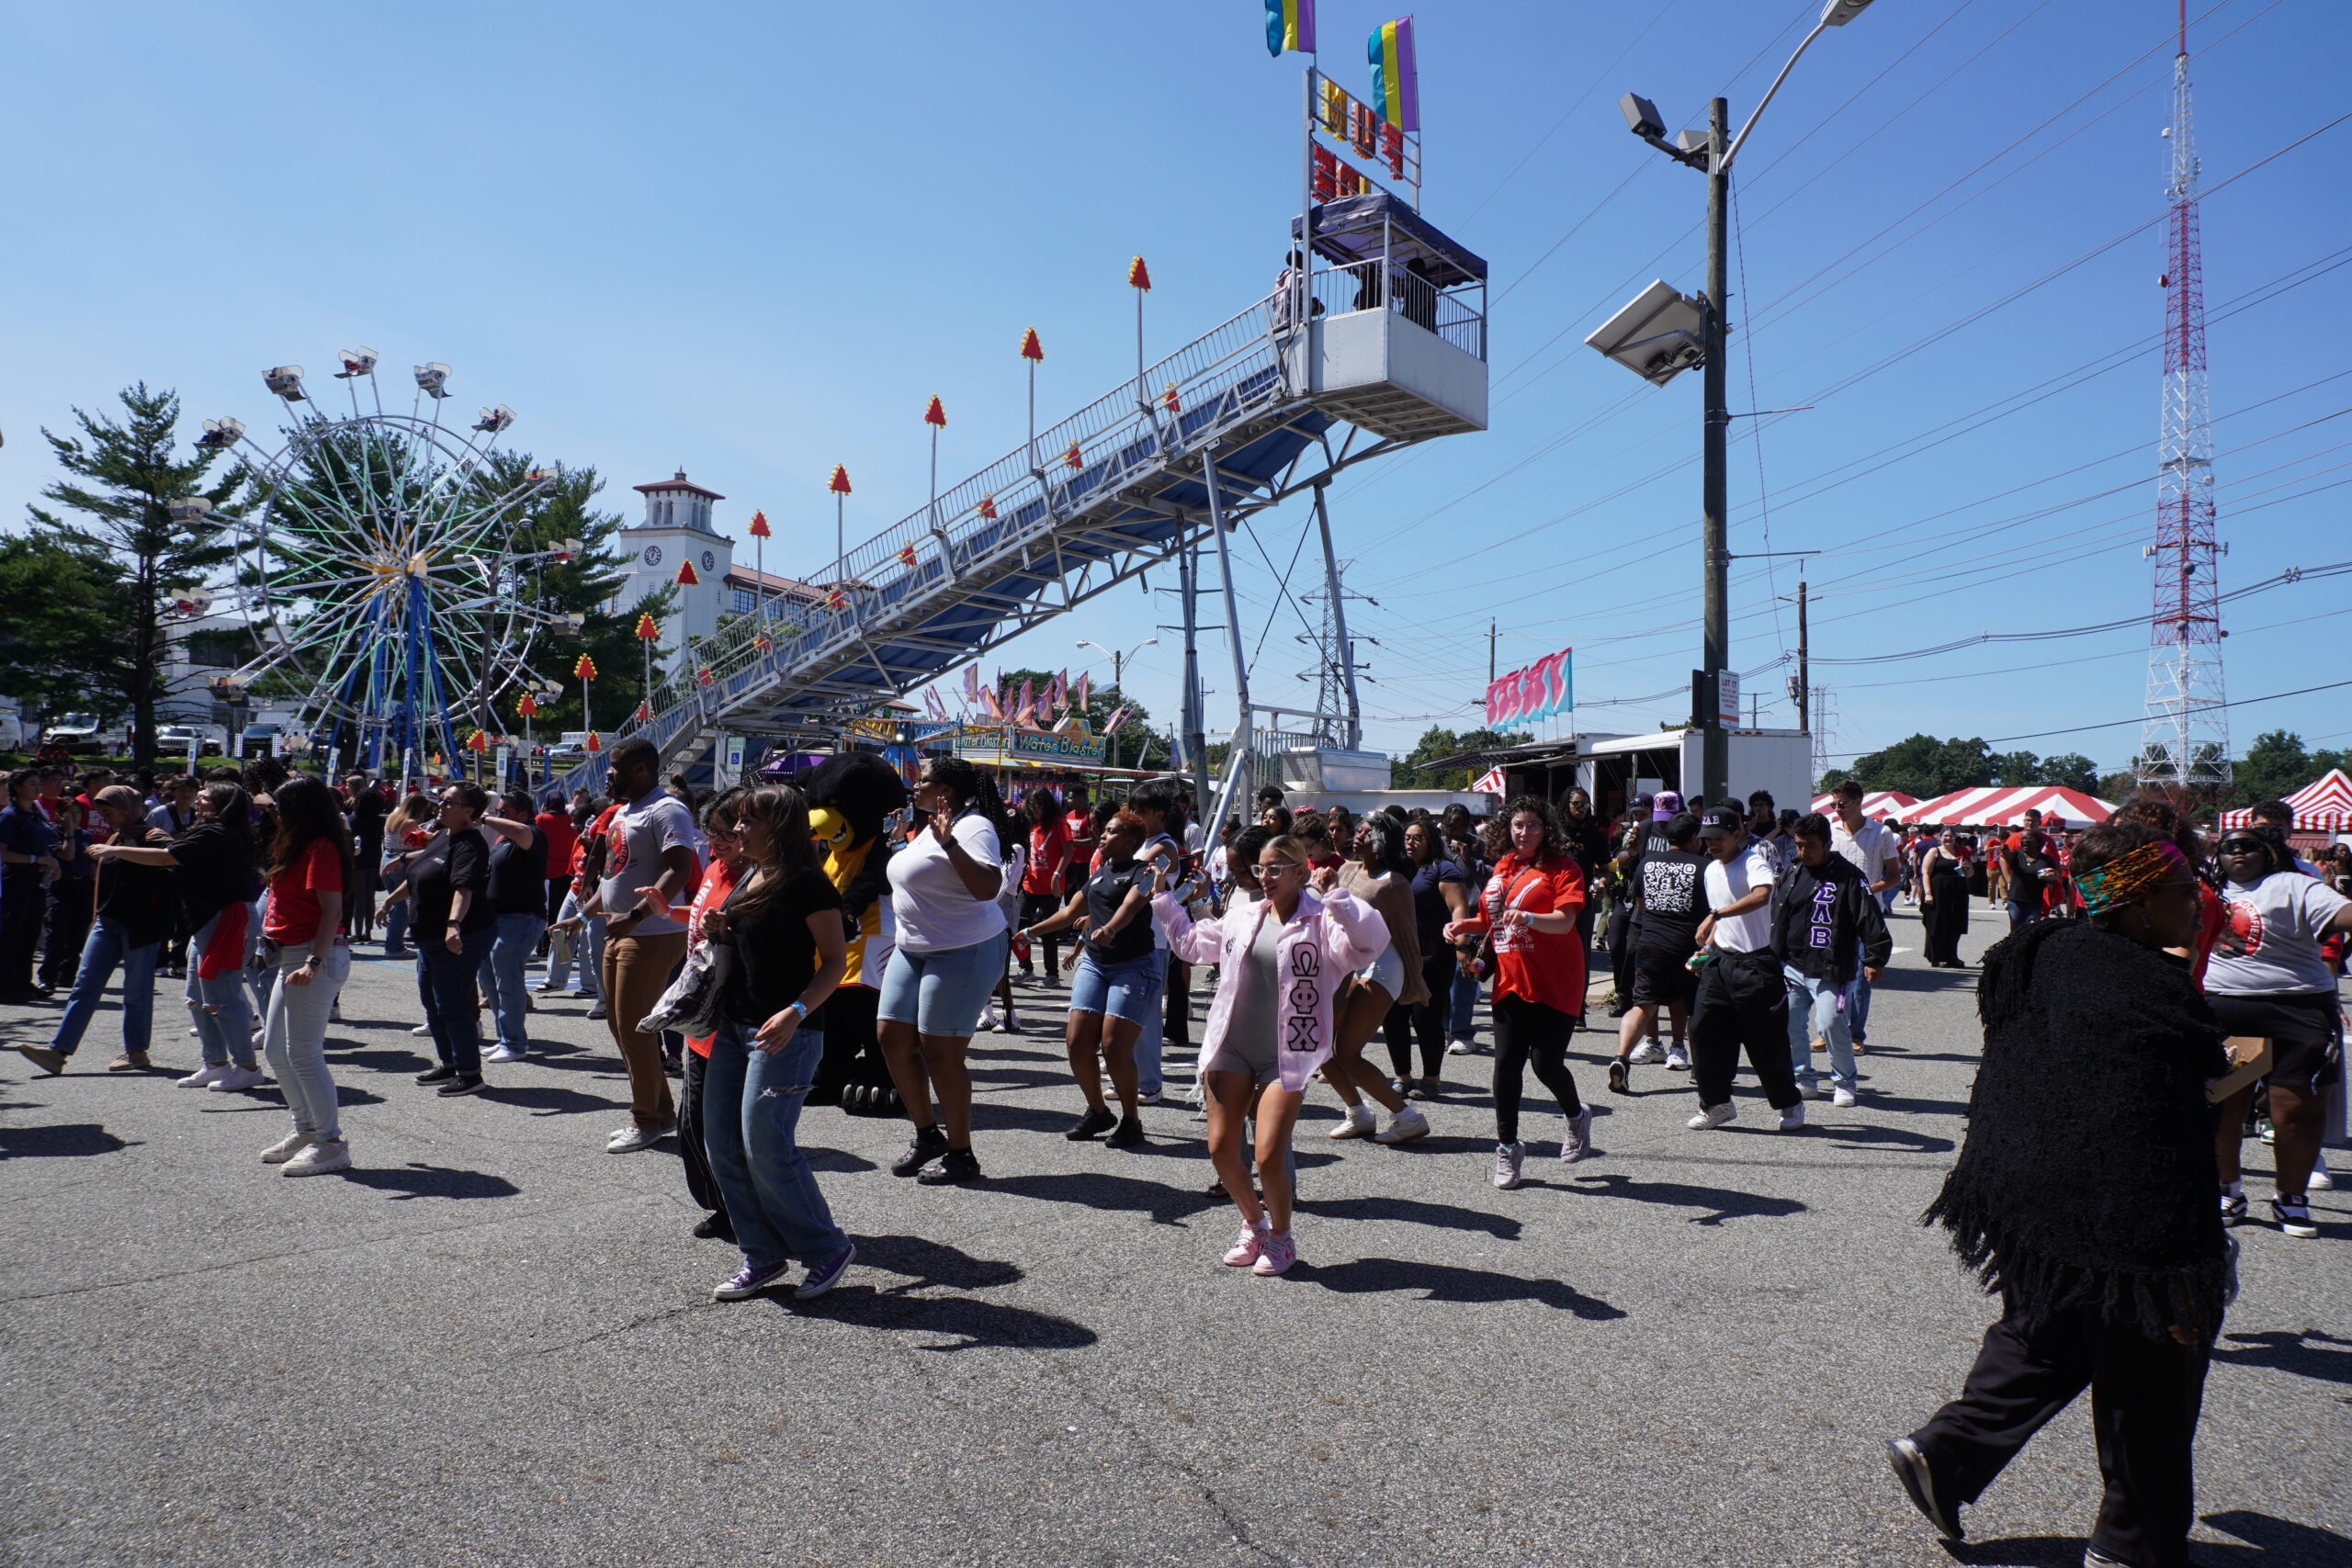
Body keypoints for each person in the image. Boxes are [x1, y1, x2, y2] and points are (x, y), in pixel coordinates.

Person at [1887, 819, 2224, 1568]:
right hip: (2122, 1210)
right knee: (2156, 1359)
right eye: (2181, 890)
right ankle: (2132, 1544)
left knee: (2053, 1325)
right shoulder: (2151, 985)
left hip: (2018, 1190)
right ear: (2137, 901)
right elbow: (2191, 1082)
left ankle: (1946, 1455)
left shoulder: (2035, 950)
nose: (2197, 901)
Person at [1159, 832, 1386, 1275]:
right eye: (1261, 868)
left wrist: (1337, 895)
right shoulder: (1243, 915)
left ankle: (1282, 1238)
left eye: (1276, 868)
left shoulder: (1323, 919)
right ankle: (1254, 1225)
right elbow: (1191, 945)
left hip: (1287, 1055)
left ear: (1301, 872)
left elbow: (1369, 944)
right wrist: (1165, 902)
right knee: (1223, 1149)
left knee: (1267, 1155)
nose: (1265, 877)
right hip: (1231, 1045)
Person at [694, 784, 858, 1303]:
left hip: (788, 1031)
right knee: (721, 1145)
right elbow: (751, 944)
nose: (737, 829)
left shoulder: (809, 883)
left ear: (778, 826)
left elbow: (834, 961)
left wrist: (797, 1010)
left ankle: (826, 1247)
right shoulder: (750, 874)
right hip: (734, 1027)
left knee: (767, 1146)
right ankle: (761, 1254)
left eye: (747, 821)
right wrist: (724, 929)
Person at [2205, 825, 2352, 1239]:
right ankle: (2227, 1191)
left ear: (2269, 852)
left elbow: (2340, 913)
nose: (2238, 853)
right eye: (2229, 847)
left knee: (2295, 1113)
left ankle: (2291, 1198)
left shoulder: (2293, 885)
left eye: (2248, 846)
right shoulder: (2206, 889)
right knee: (2222, 1107)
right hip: (2227, 1009)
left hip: (2297, 1007)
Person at [1443, 795, 1591, 1190]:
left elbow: (1564, 923)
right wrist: (1462, 927)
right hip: (1510, 981)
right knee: (1506, 1067)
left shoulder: (1564, 869)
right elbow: (1490, 922)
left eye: (1533, 825)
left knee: (1546, 1066)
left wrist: (1527, 916)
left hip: (1556, 979)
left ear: (1548, 830)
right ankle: (1508, 1147)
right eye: (1518, 825)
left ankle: (1576, 1116)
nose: (1524, 832)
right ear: (1507, 828)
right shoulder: (1503, 867)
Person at [877, 756, 1011, 1186]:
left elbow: (988, 888)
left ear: (946, 792)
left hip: (964, 949)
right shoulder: (924, 829)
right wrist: (902, 844)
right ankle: (926, 1134)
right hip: (913, 948)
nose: (915, 786)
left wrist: (950, 843)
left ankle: (961, 1153)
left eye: (925, 781)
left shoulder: (972, 828)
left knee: (940, 1053)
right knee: (892, 1038)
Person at [1019, 809, 1158, 1147]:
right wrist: (1027, 932)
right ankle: (1098, 1112)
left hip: (1133, 965)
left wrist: (1110, 928)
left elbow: (1132, 904)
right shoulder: (1097, 875)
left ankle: (1130, 1121)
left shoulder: (1145, 872)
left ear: (1129, 840)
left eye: (1110, 832)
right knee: (1077, 1042)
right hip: (1095, 964)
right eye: (1103, 830)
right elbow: (1069, 913)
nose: (1102, 835)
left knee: (1113, 1047)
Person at [587, 738, 701, 1148]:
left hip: (651, 933)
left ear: (640, 768)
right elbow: (616, 875)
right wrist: (580, 916)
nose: (608, 774)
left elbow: (679, 868)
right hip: (621, 931)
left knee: (635, 1030)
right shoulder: (624, 811)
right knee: (623, 1029)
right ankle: (661, 1112)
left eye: (615, 766)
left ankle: (646, 1120)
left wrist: (636, 917)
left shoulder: (667, 809)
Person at [18, 786, 175, 1074]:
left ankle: (136, 1052)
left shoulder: (152, 836)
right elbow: (103, 883)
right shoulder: (116, 836)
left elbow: (169, 856)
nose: (106, 819)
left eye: (108, 812)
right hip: (107, 922)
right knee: (84, 985)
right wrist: (95, 917)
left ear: (128, 807)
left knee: (136, 990)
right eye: (101, 813)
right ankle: (58, 1052)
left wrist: (114, 850)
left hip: (142, 926)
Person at [254, 775, 356, 1175]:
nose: (273, 814)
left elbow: (332, 911)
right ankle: (308, 1129)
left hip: (315, 955)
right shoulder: (295, 844)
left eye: (279, 807)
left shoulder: (322, 847)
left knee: (304, 1052)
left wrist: (313, 962)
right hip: (291, 956)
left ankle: (331, 1143)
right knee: (276, 1049)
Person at [1684, 806, 1806, 1134]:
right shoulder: (1711, 870)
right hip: (1720, 962)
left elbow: (1761, 895)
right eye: (1706, 839)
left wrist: (1717, 915)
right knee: (1702, 1033)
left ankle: (1789, 1101)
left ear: (1738, 833)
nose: (1712, 845)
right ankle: (1717, 1104)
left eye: (1719, 838)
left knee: (1765, 1043)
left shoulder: (1753, 860)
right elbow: (1719, 920)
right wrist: (1706, 948)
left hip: (1757, 964)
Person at [1322, 816, 1432, 1144]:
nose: (1359, 837)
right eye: (1359, 831)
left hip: (1384, 968)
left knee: (1346, 1052)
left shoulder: (1393, 883)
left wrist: (1416, 982)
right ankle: (1358, 1114)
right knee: (1320, 1047)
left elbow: (1406, 935)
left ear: (1385, 840)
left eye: (1368, 834)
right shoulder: (1345, 870)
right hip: (1348, 964)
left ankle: (1407, 1117)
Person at [671, 787, 747, 1241]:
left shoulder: (758, 879)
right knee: (693, 1125)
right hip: (700, 1016)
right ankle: (724, 1206)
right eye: (710, 832)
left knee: (715, 1126)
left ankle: (741, 1210)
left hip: (731, 1022)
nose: (715, 841)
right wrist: (667, 910)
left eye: (725, 833)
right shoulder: (718, 868)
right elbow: (703, 919)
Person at [1776, 813, 1892, 1109]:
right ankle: (1803, 1077)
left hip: (1831, 968)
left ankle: (1844, 1081)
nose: (1803, 852)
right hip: (1792, 965)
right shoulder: (1794, 871)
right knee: (1789, 1023)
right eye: (1799, 845)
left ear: (1828, 843)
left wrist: (1875, 958)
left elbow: (1869, 917)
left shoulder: (1849, 876)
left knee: (1830, 1023)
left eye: (1810, 846)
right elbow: (1780, 916)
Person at [404, 782, 498, 1097]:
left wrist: (454, 923)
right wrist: (390, 900)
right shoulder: (445, 835)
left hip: (460, 935)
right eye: (440, 800)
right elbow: (424, 870)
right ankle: (450, 1063)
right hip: (429, 938)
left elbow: (463, 888)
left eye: (447, 802)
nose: (439, 805)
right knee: (432, 1003)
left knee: (453, 1005)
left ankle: (470, 1074)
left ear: (468, 812)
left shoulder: (470, 844)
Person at [1608, 810, 1706, 1094]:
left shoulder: (1647, 864)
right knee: (1695, 1009)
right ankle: (1700, 1068)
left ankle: (1621, 1058)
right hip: (1688, 947)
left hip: (1649, 942)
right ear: (1692, 838)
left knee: (1642, 1005)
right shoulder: (1703, 867)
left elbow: (1640, 901)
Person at [1394, 819, 1470, 1100]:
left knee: (1425, 1017)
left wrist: (1462, 943)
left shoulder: (1443, 868)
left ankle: (1431, 1079)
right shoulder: (1400, 867)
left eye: (1418, 838)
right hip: (1397, 953)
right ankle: (1402, 1077)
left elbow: (1459, 907)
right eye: (1407, 837)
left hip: (1433, 955)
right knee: (1394, 1017)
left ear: (1431, 841)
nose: (1410, 843)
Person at [474, 788, 550, 1065]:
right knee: (489, 979)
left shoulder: (532, 833)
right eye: (498, 812)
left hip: (522, 918)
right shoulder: (503, 841)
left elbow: (520, 831)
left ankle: (515, 1043)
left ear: (522, 814)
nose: (497, 816)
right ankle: (505, 1037)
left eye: (503, 811)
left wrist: (483, 819)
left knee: (508, 981)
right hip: (495, 919)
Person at [1827, 780, 1901, 1052]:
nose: (1837, 809)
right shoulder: (1831, 830)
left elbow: (1894, 876)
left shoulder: (1881, 832)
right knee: (1830, 974)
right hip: (1834, 913)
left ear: (1859, 803)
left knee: (1860, 977)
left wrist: (1870, 890)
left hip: (1867, 915)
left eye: (1842, 804)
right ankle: (1829, 1029)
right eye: (1833, 804)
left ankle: (1856, 1033)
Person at [0, 769, 61, 1003]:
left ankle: (23, 982)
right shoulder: (10, 816)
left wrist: (52, 862)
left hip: (36, 881)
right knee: (13, 934)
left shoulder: (35, 813)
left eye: (38, 783)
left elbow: (45, 843)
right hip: (16, 879)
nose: (38, 788)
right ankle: (6, 986)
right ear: (17, 787)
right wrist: (35, 860)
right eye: (33, 784)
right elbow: (3, 852)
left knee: (30, 932)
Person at [39, 797, 96, 996]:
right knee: (57, 932)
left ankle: (68, 974)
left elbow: (91, 864)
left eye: (78, 813)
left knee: (77, 933)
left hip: (83, 885)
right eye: (69, 813)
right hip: (61, 885)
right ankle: (48, 977)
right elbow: (67, 855)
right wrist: (69, 832)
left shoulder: (86, 835)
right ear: (59, 815)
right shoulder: (53, 833)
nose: (74, 818)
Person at [1014, 786, 1071, 986]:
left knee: (1047, 930)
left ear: (1048, 804)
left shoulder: (1059, 822)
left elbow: (1068, 851)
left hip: (1051, 886)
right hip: (1030, 882)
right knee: (1020, 924)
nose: (1035, 808)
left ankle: (1052, 974)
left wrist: (1057, 874)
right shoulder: (1031, 824)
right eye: (1032, 804)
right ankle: (1026, 968)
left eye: (1039, 804)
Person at [1919, 829, 1973, 967]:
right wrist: (1928, 893)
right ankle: (1937, 955)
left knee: (1955, 924)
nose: (1948, 838)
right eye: (1945, 836)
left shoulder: (1962, 851)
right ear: (1940, 837)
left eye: (1951, 836)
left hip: (1958, 891)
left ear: (1955, 838)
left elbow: (1970, 874)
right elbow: (1925, 873)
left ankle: (1952, 956)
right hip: (1938, 892)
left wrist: (1966, 867)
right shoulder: (1934, 851)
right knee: (1937, 924)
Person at [345, 773, 387, 943]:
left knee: (358, 899)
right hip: (374, 860)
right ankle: (368, 931)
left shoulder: (352, 819)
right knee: (369, 898)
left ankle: (358, 931)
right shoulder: (378, 821)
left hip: (357, 862)